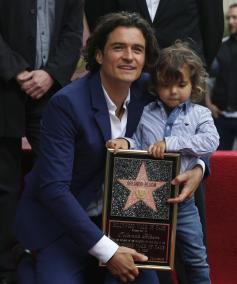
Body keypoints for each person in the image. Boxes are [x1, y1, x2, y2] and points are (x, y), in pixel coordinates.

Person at [14, 12, 206, 284]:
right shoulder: (66, 104)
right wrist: (109, 251)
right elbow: (53, 188)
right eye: (119, 47)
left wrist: (200, 166)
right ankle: (27, 262)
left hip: (124, 225)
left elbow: (194, 120)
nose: (129, 56)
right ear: (100, 55)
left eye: (137, 49)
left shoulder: (150, 90)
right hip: (63, 226)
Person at [106, 42, 219, 284]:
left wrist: (170, 142)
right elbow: (139, 142)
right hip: (146, 201)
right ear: (156, 87)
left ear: (194, 84)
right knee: (149, 255)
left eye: (181, 85)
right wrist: (125, 142)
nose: (174, 92)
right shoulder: (147, 111)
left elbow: (211, 141)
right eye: (166, 86)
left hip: (183, 201)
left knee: (195, 257)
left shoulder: (200, 114)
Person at [0, 1, 83, 283]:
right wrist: (15, 70)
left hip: (51, 92)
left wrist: (52, 74)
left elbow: (72, 35)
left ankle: (52, 253)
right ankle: (6, 266)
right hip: (4, 86)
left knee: (57, 177)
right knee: (4, 184)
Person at [84, 0, 224, 70]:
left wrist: (195, 70)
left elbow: (213, 29)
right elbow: (100, 27)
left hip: (184, 82)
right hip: (126, 87)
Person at [206, 3, 237, 150]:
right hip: (221, 117)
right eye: (228, 18)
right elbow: (207, 78)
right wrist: (209, 104)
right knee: (219, 162)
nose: (230, 22)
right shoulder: (220, 46)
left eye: (235, 18)